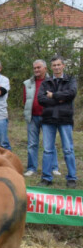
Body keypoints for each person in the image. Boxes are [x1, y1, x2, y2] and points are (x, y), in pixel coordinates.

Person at [37, 55, 77, 188]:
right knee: (47, 150)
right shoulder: (46, 82)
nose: (57, 67)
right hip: (48, 119)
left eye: (59, 65)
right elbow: (41, 99)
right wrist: (60, 99)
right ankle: (46, 178)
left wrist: (53, 95)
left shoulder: (70, 80)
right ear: (51, 67)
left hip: (65, 119)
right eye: (54, 65)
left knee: (68, 150)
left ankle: (71, 178)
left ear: (63, 65)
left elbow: (71, 94)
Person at [23, 59, 48, 177]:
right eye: (35, 68)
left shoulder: (51, 81)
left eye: (39, 67)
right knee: (32, 144)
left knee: (49, 144)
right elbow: (25, 100)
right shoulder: (27, 83)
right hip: (32, 117)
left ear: (45, 69)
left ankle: (53, 168)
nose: (36, 70)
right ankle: (32, 168)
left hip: (47, 117)